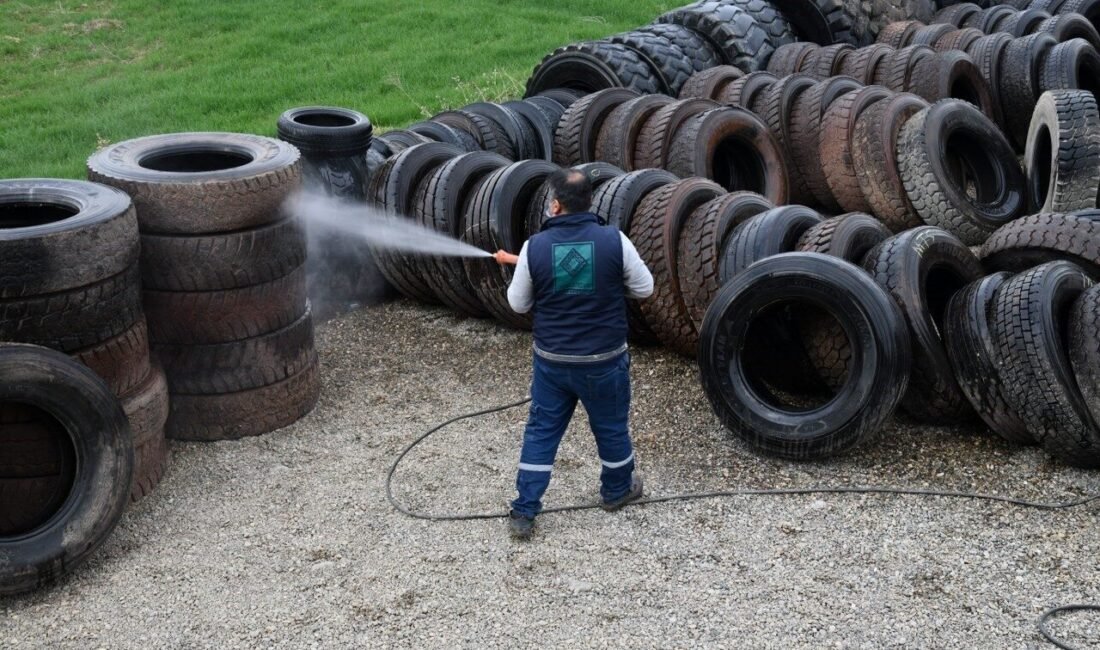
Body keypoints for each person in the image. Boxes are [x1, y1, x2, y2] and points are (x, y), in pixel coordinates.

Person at [493, 169, 654, 540]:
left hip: (552, 363)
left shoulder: (535, 247)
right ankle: (616, 492)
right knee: (611, 427)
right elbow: (645, 288)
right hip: (604, 362)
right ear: (589, 202)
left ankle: (524, 511)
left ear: (554, 204)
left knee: (542, 432)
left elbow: (517, 305)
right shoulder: (615, 240)